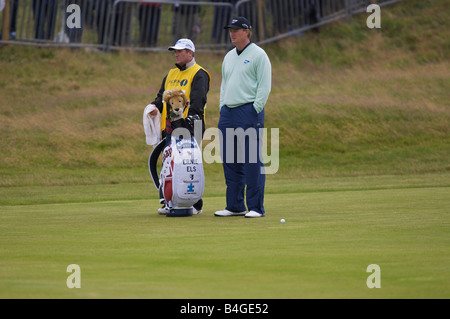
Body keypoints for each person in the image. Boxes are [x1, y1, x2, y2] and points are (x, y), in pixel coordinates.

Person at [214, 17, 271, 218]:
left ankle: (255, 207)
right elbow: (224, 84)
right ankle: (235, 206)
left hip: (248, 111)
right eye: (230, 30)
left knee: (251, 160)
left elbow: (264, 86)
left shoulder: (259, 55)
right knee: (231, 160)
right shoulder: (229, 56)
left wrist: (255, 108)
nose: (232, 33)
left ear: (247, 31)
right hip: (228, 112)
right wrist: (222, 106)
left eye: (237, 30)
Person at [148, 38, 211, 215]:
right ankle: (171, 200)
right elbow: (160, 98)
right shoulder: (170, 74)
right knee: (169, 165)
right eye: (174, 51)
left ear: (190, 53)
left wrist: (186, 128)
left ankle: (194, 203)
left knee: (188, 166)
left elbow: (198, 104)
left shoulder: (199, 74)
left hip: (190, 128)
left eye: (180, 51)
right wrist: (153, 108)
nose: (175, 54)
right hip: (169, 128)